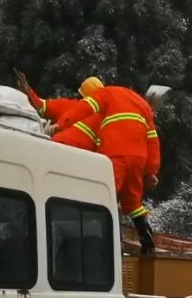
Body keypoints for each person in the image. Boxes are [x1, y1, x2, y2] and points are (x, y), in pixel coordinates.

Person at [59, 84, 162, 253]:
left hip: (116, 152)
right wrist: (151, 171)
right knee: (133, 202)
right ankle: (147, 242)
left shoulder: (106, 93)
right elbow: (152, 139)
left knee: (107, 195)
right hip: (138, 157)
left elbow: (86, 107)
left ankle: (113, 245)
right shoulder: (142, 104)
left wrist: (63, 122)